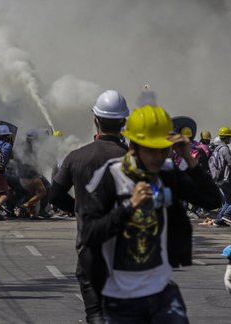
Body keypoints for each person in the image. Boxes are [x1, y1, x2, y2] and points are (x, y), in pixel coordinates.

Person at [82, 105, 220, 323]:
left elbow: (212, 200)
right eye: (151, 150)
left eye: (163, 149)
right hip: (120, 296)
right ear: (134, 147)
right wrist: (128, 207)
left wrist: (190, 159)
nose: (158, 157)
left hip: (161, 290)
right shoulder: (110, 176)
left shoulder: (167, 173)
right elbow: (89, 234)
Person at [49, 90, 129, 324]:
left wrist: (77, 206)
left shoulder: (76, 157)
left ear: (96, 120)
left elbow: (55, 195)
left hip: (89, 247)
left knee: (95, 313)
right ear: (123, 122)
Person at [210, 127, 231, 226]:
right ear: (226, 138)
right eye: (229, 137)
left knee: (227, 201)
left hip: (218, 178)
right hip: (225, 178)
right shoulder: (225, 149)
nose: (230, 139)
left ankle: (218, 221)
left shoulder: (216, 149)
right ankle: (226, 215)